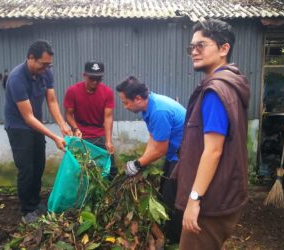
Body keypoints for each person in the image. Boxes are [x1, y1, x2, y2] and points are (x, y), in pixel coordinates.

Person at [172, 19, 250, 249]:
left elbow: (213, 151)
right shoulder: (229, 84)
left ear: (224, 48)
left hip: (210, 201)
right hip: (221, 193)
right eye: (191, 47)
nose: (194, 52)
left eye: (201, 45)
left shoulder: (216, 91)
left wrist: (194, 200)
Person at [4, 40, 72, 224]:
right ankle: (27, 210)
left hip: (36, 125)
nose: (46, 68)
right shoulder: (16, 78)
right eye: (43, 64)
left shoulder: (46, 72)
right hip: (19, 127)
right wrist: (55, 137)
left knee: (39, 166)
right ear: (31, 58)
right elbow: (27, 117)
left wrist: (63, 125)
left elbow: (51, 101)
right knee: (26, 169)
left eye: (49, 65)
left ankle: (35, 203)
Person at [116, 76, 186, 244]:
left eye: (125, 102)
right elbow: (154, 139)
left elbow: (160, 149)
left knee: (173, 200)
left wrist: (138, 163)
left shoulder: (159, 111)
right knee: (164, 192)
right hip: (174, 154)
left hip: (184, 157)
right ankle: (170, 233)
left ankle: (176, 240)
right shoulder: (149, 107)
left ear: (138, 98)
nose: (125, 106)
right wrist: (141, 162)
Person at [64, 61, 117, 177]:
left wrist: (108, 141)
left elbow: (108, 118)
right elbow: (68, 114)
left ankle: (108, 194)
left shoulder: (107, 93)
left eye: (98, 78)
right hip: (81, 136)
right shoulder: (73, 91)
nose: (95, 82)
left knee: (111, 170)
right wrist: (75, 128)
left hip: (100, 135)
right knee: (81, 172)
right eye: (92, 78)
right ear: (84, 75)